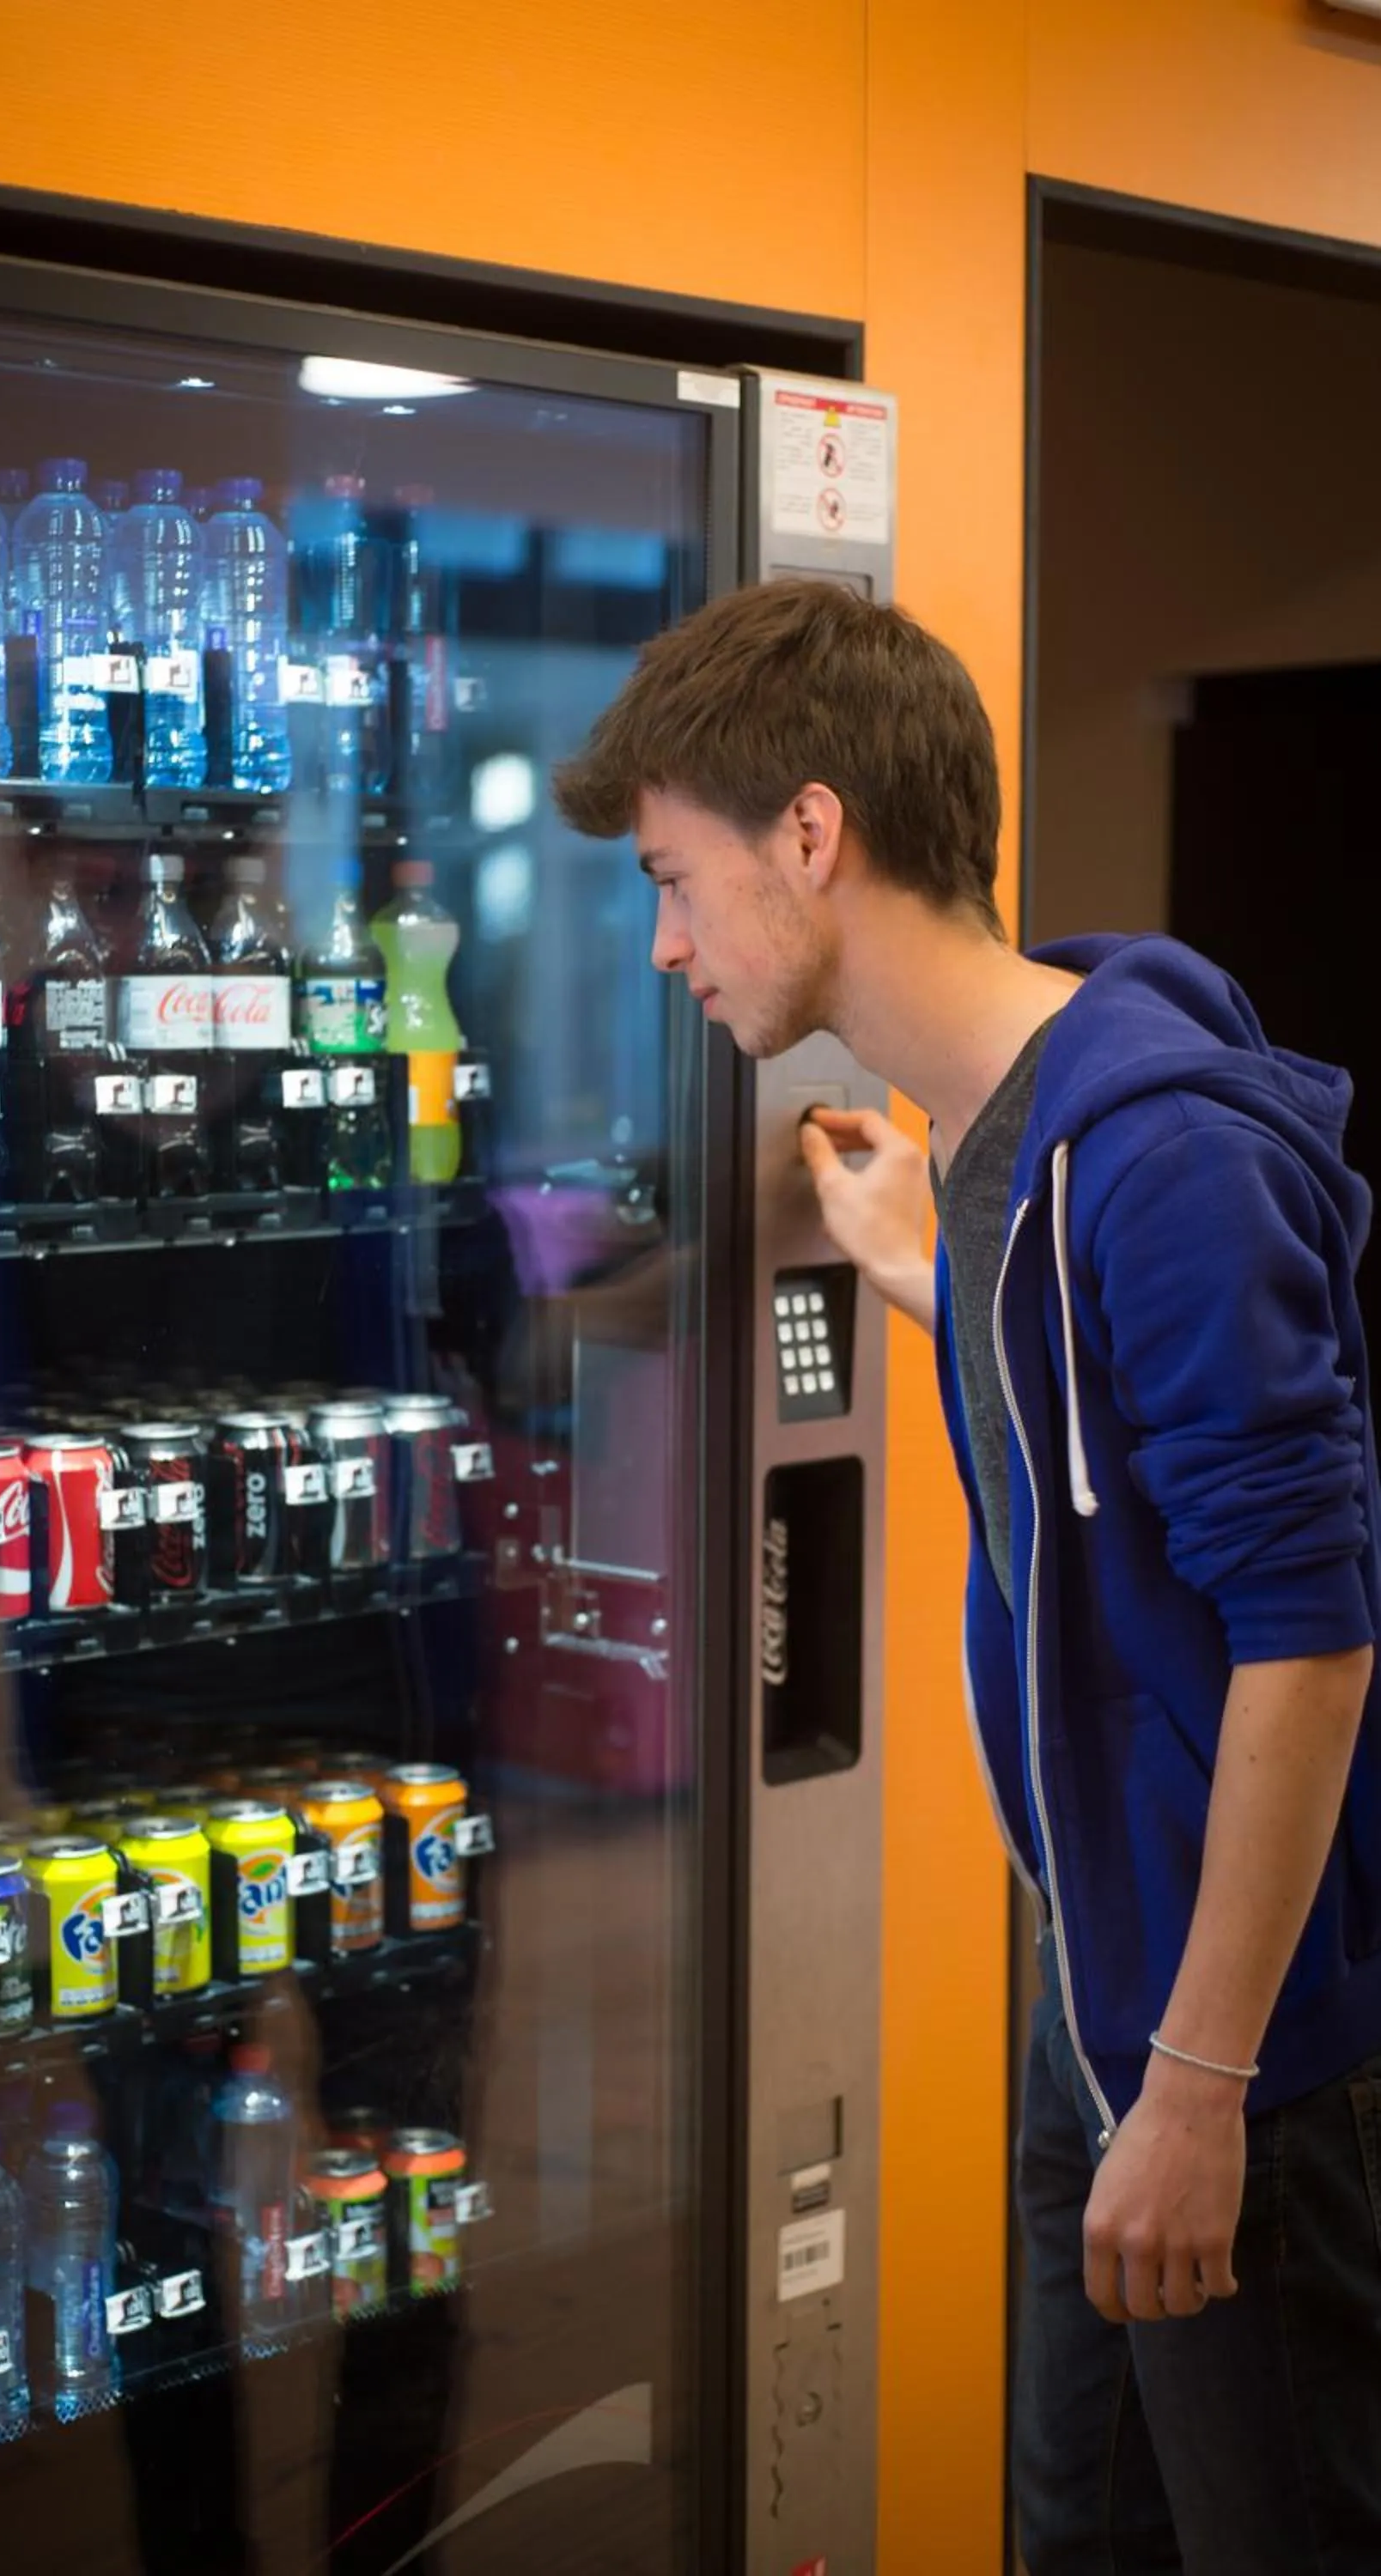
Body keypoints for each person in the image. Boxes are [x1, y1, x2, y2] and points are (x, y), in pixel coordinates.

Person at [553, 578, 1381, 2575]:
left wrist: (1194, 2088)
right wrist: (930, 1276)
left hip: (1231, 2050)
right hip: (1092, 1995)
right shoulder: (1008, 1137)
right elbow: (1104, 1418)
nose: (663, 941)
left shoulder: (1154, 1154)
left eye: (675, 878)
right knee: (1073, 2536)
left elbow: (1308, 1636)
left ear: (810, 838)